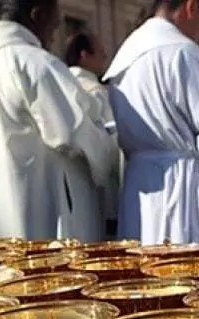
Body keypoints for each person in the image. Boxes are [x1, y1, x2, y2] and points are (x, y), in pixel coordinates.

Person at [0, 0, 114, 241]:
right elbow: (74, 135)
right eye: (54, 24)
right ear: (37, 13)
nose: (54, 34)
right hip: (43, 218)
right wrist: (109, 144)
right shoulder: (34, 63)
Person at [104, 0, 199, 245]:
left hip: (138, 185)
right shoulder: (184, 53)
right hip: (185, 185)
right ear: (191, 7)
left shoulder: (126, 56)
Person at [64, 31, 121, 237]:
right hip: (101, 183)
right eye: (100, 52)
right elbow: (111, 142)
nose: (105, 58)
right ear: (84, 55)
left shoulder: (63, 84)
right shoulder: (95, 90)